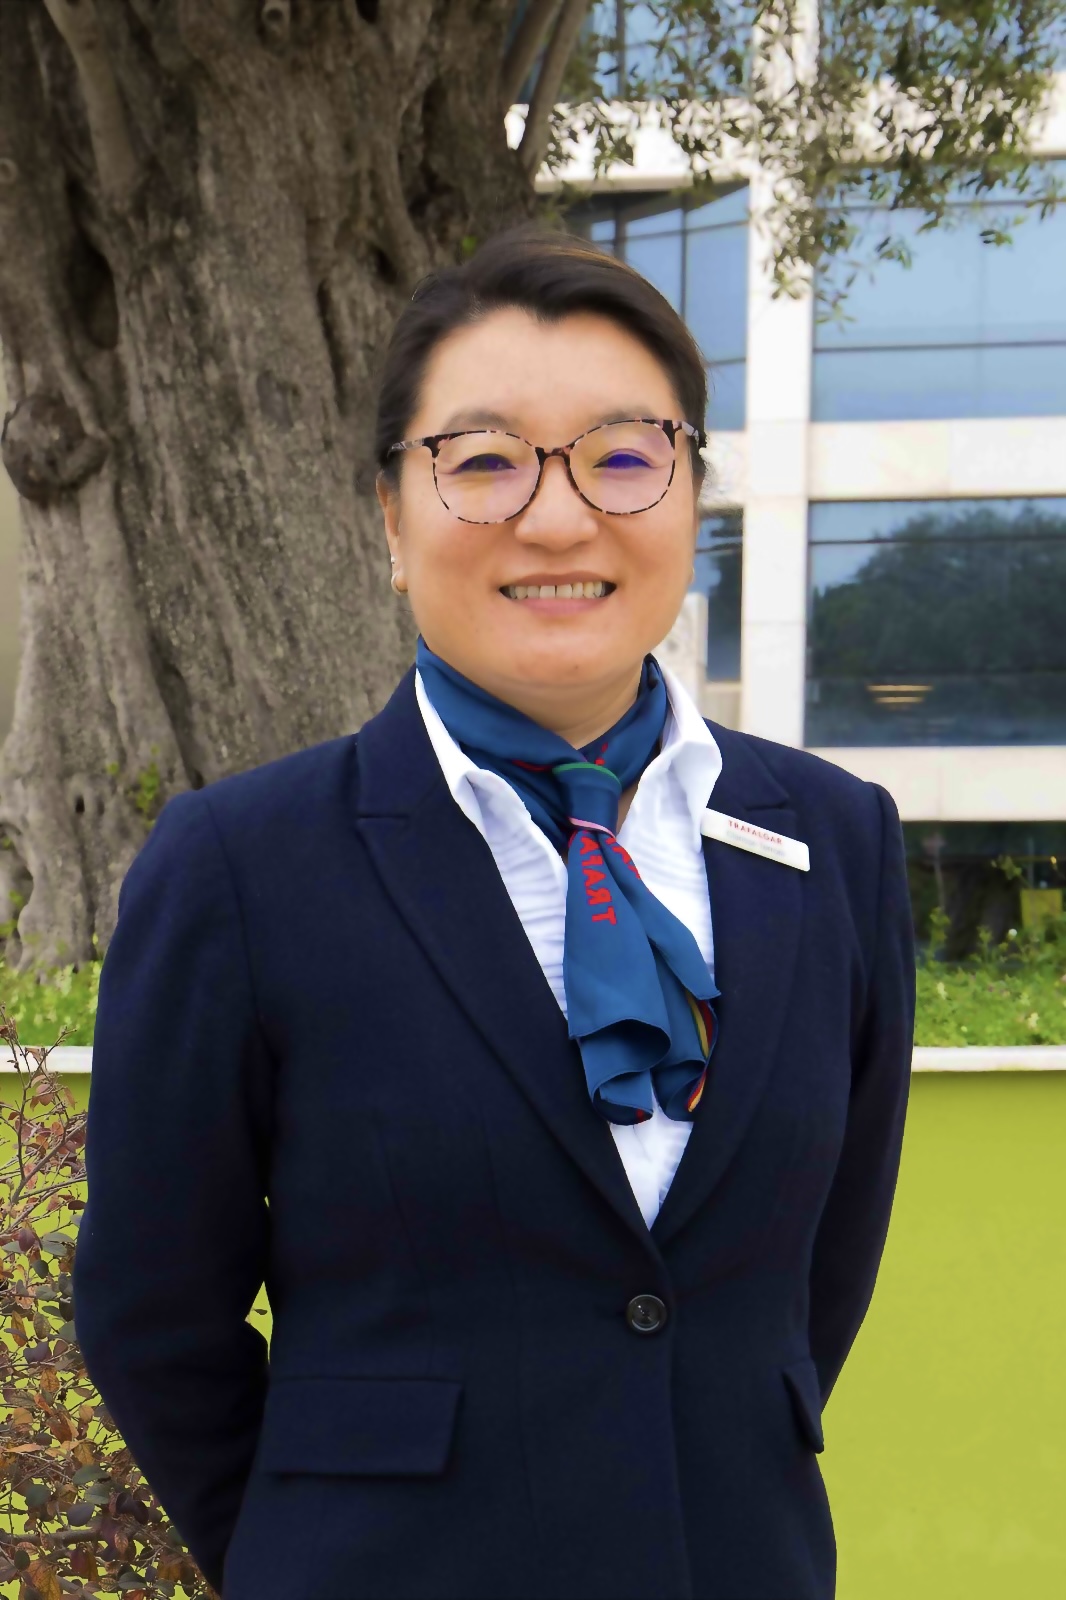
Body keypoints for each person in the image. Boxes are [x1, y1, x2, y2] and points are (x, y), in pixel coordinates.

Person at [73, 226, 916, 1600]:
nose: (557, 516)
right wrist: (297, 1556)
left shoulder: (829, 841)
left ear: (689, 499)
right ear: (390, 523)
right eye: (481, 462)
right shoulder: (238, 865)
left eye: (623, 455)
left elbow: (815, 1282)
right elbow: (149, 1311)